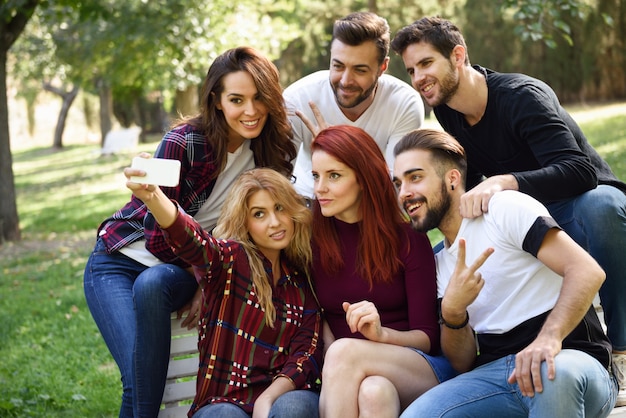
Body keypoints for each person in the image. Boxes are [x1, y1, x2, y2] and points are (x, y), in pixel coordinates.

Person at [391, 16, 626, 405]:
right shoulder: (447, 109)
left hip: (575, 203)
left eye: (426, 64)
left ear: (459, 56)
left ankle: (620, 349)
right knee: (442, 254)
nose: (418, 77)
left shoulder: (521, 96)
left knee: (604, 206)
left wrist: (504, 182)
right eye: (412, 70)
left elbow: (579, 170)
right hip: (515, 213)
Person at [83, 46, 298, 417]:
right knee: (139, 379)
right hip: (117, 262)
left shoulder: (269, 152)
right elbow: (155, 237)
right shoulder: (185, 142)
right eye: (236, 99)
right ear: (216, 100)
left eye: (259, 97)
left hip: (173, 272)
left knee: (152, 287)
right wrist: (204, 273)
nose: (250, 111)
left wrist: (210, 276)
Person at [392, 128, 617, 417]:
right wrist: (453, 312)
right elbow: (461, 363)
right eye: (398, 183)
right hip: (496, 375)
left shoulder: (502, 209)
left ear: (452, 178)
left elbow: (586, 270)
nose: (404, 193)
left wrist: (549, 338)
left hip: (570, 360)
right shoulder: (436, 262)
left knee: (551, 375)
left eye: (415, 177)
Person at [124, 166, 323, 418]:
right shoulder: (230, 261)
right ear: (245, 222)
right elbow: (193, 242)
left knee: (292, 408)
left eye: (280, 208)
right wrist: (153, 197)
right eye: (259, 214)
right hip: (224, 401)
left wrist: (269, 397)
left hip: (284, 393)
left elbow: (307, 353)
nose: (275, 222)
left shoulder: (302, 281)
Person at [310, 125, 456, 418]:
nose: (319, 188)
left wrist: (380, 335)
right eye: (316, 176)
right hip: (349, 376)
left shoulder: (407, 238)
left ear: (363, 179)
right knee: (374, 392)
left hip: (416, 365)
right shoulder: (312, 238)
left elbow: (427, 337)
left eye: (333, 176)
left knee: (343, 352)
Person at [283, 11, 425, 198]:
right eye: (338, 66)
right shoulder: (297, 99)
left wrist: (336, 148)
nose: (345, 81)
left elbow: (395, 188)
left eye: (360, 70)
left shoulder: (403, 104)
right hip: (308, 200)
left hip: (370, 203)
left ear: (382, 67)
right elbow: (277, 178)